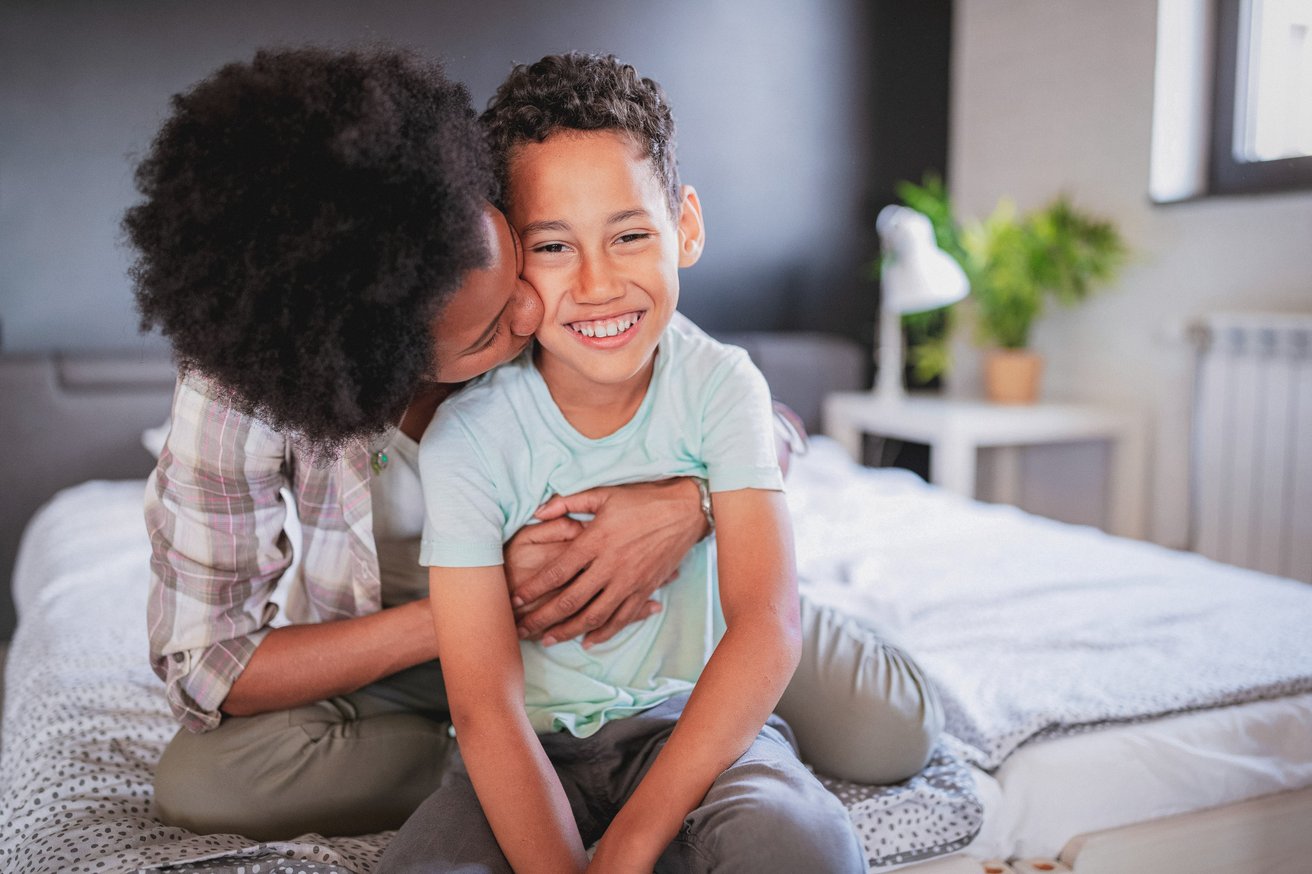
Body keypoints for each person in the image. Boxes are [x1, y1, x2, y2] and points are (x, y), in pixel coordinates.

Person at [127, 45, 939, 844]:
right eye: (487, 329)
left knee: (887, 732)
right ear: (387, 352)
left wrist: (690, 506)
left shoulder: (577, 292)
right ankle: (528, 767)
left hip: (654, 594)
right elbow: (210, 663)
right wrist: (481, 608)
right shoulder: (252, 383)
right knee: (204, 780)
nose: (530, 311)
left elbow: (735, 406)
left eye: (516, 254)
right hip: (419, 634)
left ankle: (695, 714)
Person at [378, 52, 865, 874]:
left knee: (804, 847)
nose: (600, 284)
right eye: (554, 246)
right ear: (507, 260)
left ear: (687, 227)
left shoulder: (722, 385)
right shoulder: (468, 438)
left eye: (631, 235)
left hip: (692, 727)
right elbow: (486, 705)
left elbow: (767, 624)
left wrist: (631, 843)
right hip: (527, 748)